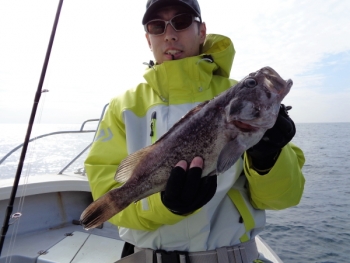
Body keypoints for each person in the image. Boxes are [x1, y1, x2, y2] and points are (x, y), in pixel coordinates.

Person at [84, 0, 305, 262]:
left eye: (181, 21)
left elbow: (284, 198)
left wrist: (269, 159)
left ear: (201, 31)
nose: (170, 34)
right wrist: (165, 205)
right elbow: (106, 186)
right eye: (157, 26)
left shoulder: (234, 96)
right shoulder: (122, 107)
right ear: (148, 39)